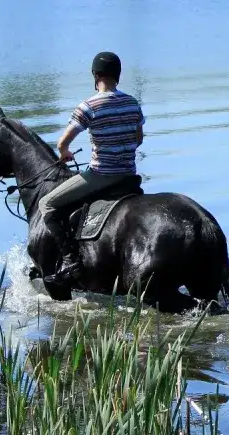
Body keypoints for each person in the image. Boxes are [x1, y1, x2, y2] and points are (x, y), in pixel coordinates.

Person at [38, 51, 146, 286]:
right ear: (118, 75)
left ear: (95, 75)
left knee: (46, 204)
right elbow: (138, 139)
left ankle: (70, 261)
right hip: (129, 175)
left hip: (101, 175)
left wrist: (65, 153)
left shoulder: (88, 106)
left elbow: (62, 143)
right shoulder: (132, 103)